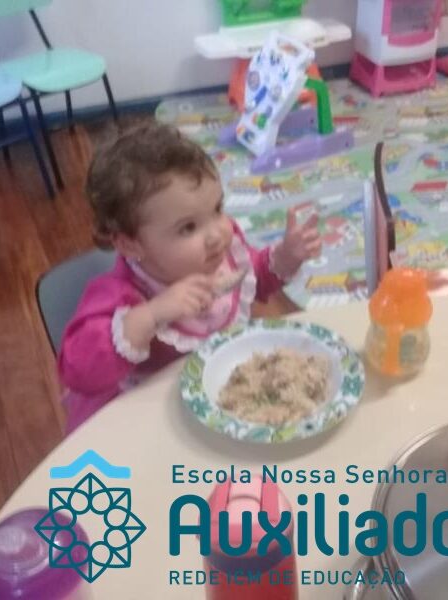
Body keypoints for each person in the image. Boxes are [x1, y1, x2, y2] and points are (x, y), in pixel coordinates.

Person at [58, 123, 321, 433]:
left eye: (217, 209)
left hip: (222, 398)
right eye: (188, 228)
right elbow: (77, 369)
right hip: (152, 419)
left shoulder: (223, 253)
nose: (216, 234)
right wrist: (151, 315)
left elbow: (252, 279)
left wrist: (286, 257)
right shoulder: (120, 294)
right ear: (130, 244)